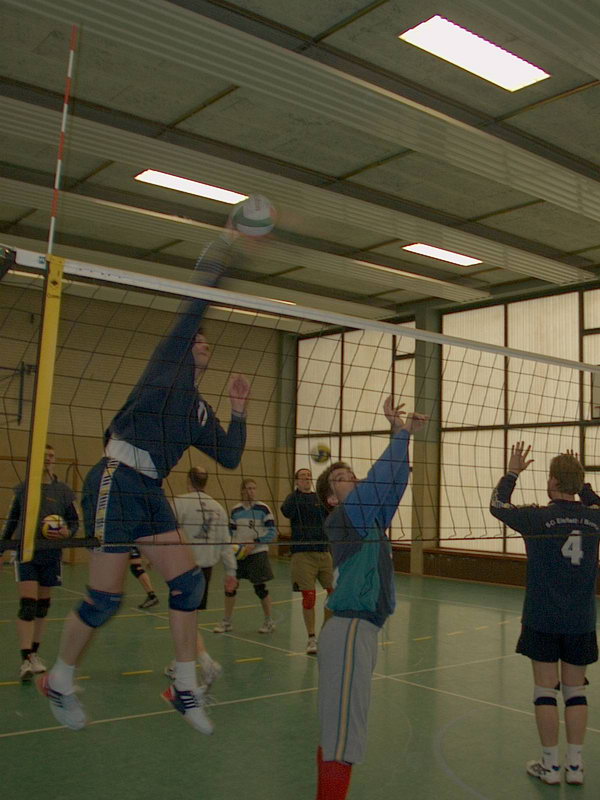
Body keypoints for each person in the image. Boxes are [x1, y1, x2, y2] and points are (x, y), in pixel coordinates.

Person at [39, 228, 251, 736]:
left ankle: (183, 686)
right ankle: (59, 680)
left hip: (150, 489)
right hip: (116, 478)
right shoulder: (165, 369)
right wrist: (215, 264)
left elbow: (229, 456)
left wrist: (239, 411)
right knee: (104, 599)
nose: (201, 342)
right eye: (196, 340)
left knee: (188, 583)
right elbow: (191, 314)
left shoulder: (199, 410)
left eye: (206, 342)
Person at [314, 399, 426, 800]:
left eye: (351, 473)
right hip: (348, 628)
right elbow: (379, 481)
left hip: (360, 630)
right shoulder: (345, 518)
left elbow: (393, 483)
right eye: (341, 478)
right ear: (331, 498)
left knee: (340, 730)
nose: (351, 478)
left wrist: (403, 435)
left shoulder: (371, 519)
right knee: (343, 736)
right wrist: (399, 433)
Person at [490, 443, 600, 786]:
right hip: (581, 620)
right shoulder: (595, 517)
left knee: (545, 690)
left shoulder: (536, 517)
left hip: (542, 618)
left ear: (551, 481)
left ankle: (550, 767)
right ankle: (575, 766)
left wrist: (512, 472)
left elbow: (497, 505)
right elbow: (593, 501)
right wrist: (581, 483)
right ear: (577, 483)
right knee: (575, 691)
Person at [0, 444, 78, 681]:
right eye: (44, 456)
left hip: (51, 554)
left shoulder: (63, 491)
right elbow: (11, 521)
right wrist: (2, 549)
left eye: (51, 456)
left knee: (43, 607)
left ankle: (34, 655)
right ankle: (25, 659)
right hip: (27, 553)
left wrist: (66, 532)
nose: (48, 459)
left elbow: (74, 522)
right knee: (28, 605)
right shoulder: (24, 489)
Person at [164, 465, 238, 683]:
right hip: (205, 571)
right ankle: (179, 662)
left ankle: (204, 662)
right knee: (190, 618)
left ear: (189, 480)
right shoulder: (218, 507)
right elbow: (226, 543)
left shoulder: (179, 503)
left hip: (182, 568)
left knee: (183, 619)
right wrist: (231, 571)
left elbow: (166, 533)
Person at [213, 478, 277, 634]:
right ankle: (227, 621)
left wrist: (255, 542)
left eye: (254, 488)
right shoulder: (235, 510)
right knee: (230, 586)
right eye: (248, 488)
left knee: (260, 588)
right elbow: (231, 533)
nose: (251, 491)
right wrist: (232, 548)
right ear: (242, 490)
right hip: (239, 553)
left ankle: (269, 621)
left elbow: (273, 532)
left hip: (257, 553)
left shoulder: (263, 509)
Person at [281, 468, 331, 654]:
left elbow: (332, 513)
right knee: (309, 597)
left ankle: (325, 632)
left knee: (335, 594)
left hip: (323, 551)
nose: (306, 479)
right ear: (296, 481)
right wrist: (296, 493)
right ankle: (311, 638)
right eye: (302, 477)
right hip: (303, 553)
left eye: (309, 476)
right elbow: (286, 512)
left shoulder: (320, 498)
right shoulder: (293, 499)